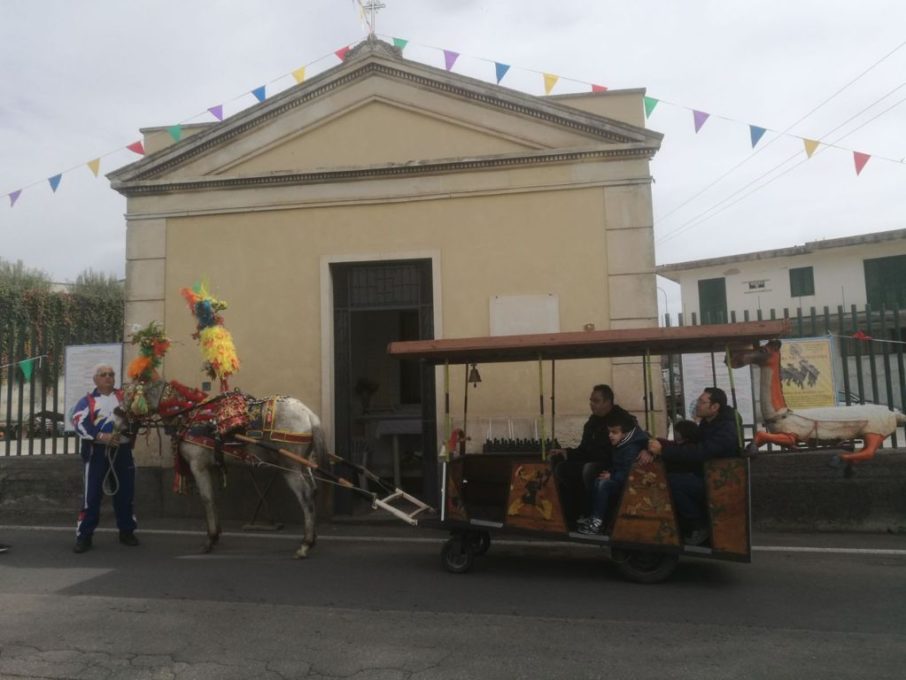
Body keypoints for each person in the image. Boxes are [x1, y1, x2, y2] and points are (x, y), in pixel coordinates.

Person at [645, 387, 742, 545]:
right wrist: (661, 444)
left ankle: (698, 525)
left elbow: (700, 452)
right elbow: (690, 445)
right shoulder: (707, 422)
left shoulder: (726, 429)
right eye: (698, 401)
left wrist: (664, 450)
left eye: (702, 402)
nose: (698, 405)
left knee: (673, 482)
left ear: (715, 407)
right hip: (704, 474)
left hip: (718, 483)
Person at [70, 364, 139, 553]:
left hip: (122, 452)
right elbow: (78, 423)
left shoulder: (124, 398)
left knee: (125, 493)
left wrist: (130, 427)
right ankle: (84, 536)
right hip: (97, 454)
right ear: (96, 379)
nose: (108, 377)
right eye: (104, 375)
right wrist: (101, 436)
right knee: (91, 497)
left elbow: (136, 419)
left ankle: (127, 531)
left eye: (111, 374)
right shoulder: (88, 401)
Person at [549, 384, 635, 525]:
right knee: (562, 468)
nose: (591, 404)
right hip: (592, 461)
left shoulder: (623, 419)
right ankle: (570, 515)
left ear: (608, 402)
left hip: (613, 464)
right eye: (591, 400)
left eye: (596, 401)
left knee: (589, 470)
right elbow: (584, 449)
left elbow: (627, 448)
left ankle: (594, 515)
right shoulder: (592, 421)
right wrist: (567, 453)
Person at [579, 410, 649, 535]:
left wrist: (612, 475)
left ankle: (597, 522)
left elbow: (630, 473)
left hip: (631, 485)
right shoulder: (622, 443)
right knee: (599, 481)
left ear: (625, 433)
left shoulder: (631, 448)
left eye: (614, 432)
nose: (610, 435)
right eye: (609, 432)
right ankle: (595, 516)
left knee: (603, 484)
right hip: (621, 478)